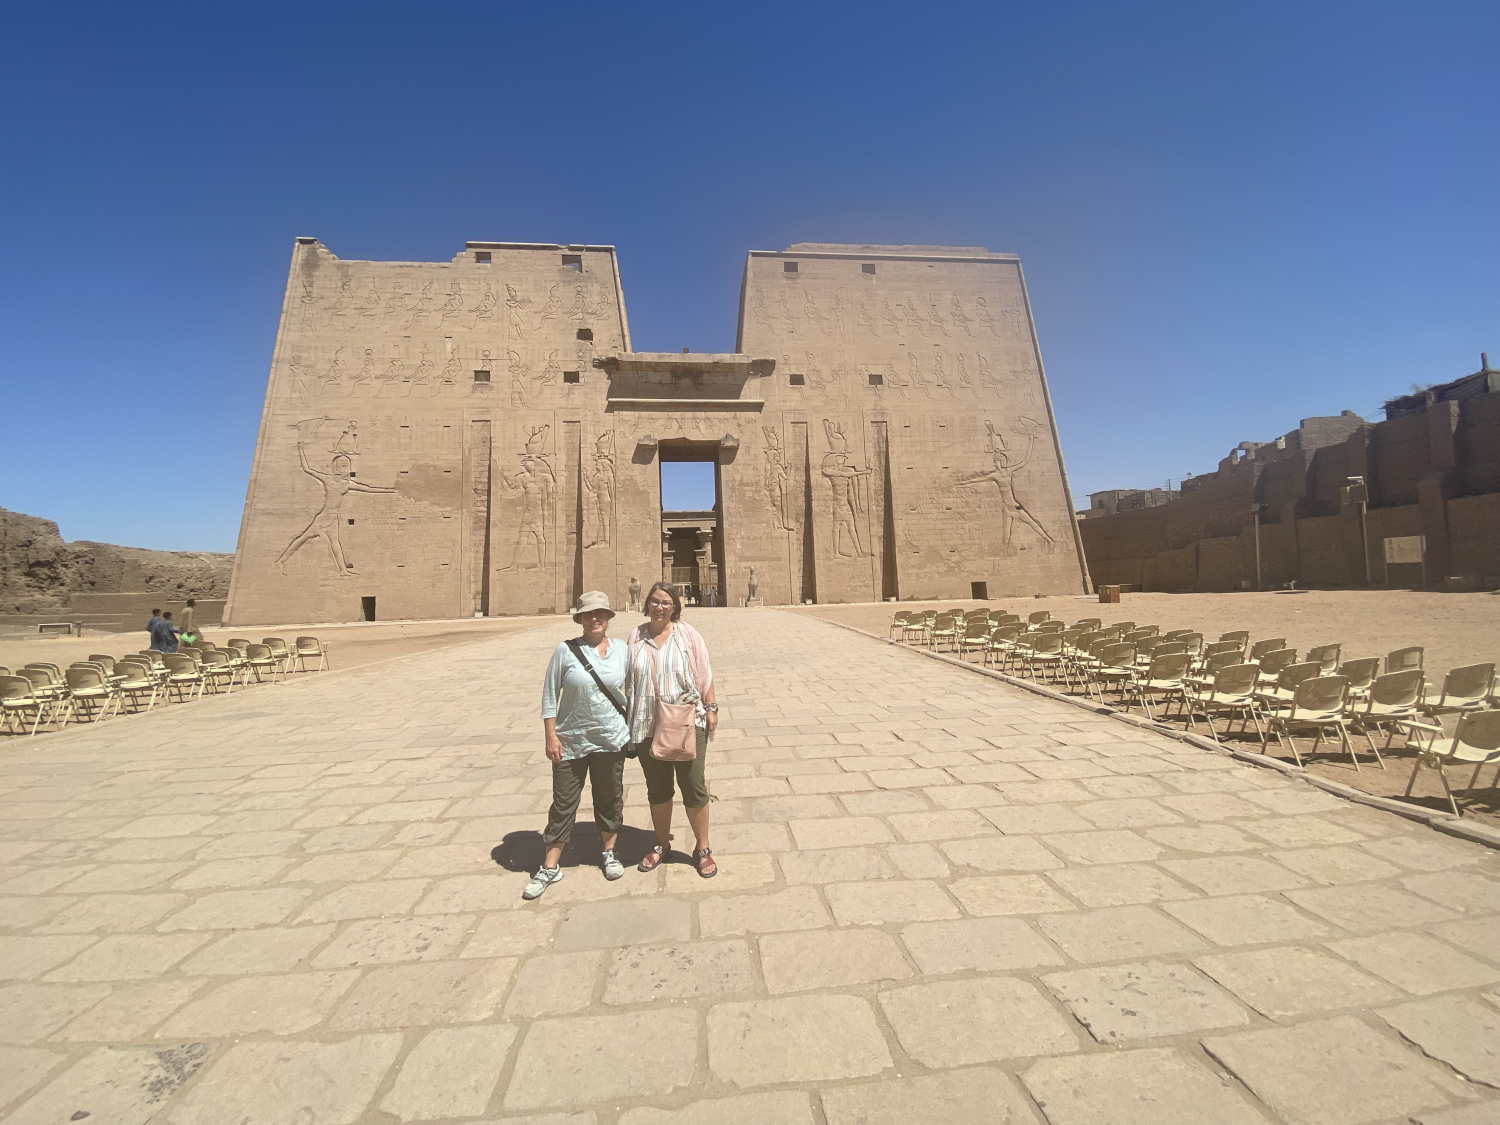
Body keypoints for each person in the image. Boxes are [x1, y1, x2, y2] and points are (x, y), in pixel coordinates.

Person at [525, 591, 630, 900]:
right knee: (563, 802)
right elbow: (548, 696)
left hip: (610, 738)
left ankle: (609, 852)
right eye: (587, 614)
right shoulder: (565, 651)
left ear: (609, 617)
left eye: (599, 613)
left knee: (609, 795)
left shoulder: (622, 650)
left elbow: (640, 684)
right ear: (580, 619)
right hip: (571, 740)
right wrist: (550, 735)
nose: (594, 618)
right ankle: (549, 864)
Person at [627, 581, 719, 878]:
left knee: (693, 784)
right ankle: (660, 843)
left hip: (685, 721)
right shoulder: (635, 636)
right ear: (647, 603)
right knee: (658, 789)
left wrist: (712, 707)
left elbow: (704, 673)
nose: (659, 607)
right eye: (655, 601)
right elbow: (626, 679)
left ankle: (702, 848)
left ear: (675, 607)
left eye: (666, 602)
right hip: (646, 723)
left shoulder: (687, 635)